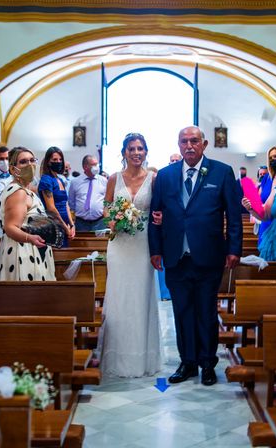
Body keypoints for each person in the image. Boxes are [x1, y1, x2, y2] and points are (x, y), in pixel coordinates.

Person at [149, 126, 242, 386]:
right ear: (178, 145)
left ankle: (207, 362)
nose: (189, 145)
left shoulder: (221, 172)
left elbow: (233, 216)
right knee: (182, 311)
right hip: (176, 256)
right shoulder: (166, 176)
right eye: (184, 141)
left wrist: (234, 249)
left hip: (209, 255)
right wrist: (155, 249)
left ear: (204, 144)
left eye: (194, 141)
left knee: (206, 313)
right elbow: (155, 216)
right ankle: (187, 362)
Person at [97, 133, 161, 377]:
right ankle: (117, 354)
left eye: (141, 149)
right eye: (132, 149)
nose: (136, 153)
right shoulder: (114, 178)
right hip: (120, 245)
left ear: (146, 152)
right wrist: (113, 218)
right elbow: (106, 206)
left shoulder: (154, 179)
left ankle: (142, 358)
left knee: (141, 296)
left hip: (143, 243)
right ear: (124, 152)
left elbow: (159, 207)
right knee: (119, 295)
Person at [0, 147, 56, 282]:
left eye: (32, 160)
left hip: (31, 247)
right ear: (12, 169)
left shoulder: (25, 190)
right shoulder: (18, 192)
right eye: (23, 162)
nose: (30, 165)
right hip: (23, 252)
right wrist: (31, 238)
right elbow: (10, 227)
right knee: (25, 298)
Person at [38, 146, 75, 247]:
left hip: (65, 225)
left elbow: (66, 204)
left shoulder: (60, 179)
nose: (58, 162)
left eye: (60, 159)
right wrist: (65, 227)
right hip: (54, 225)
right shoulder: (46, 180)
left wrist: (72, 225)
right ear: (48, 162)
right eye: (55, 159)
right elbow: (51, 208)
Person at [68, 155, 107, 232]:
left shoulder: (104, 181)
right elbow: (71, 202)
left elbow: (107, 201)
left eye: (97, 164)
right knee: (82, 243)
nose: (97, 167)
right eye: (94, 165)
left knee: (100, 243)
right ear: (85, 167)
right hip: (81, 222)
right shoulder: (75, 182)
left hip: (99, 222)